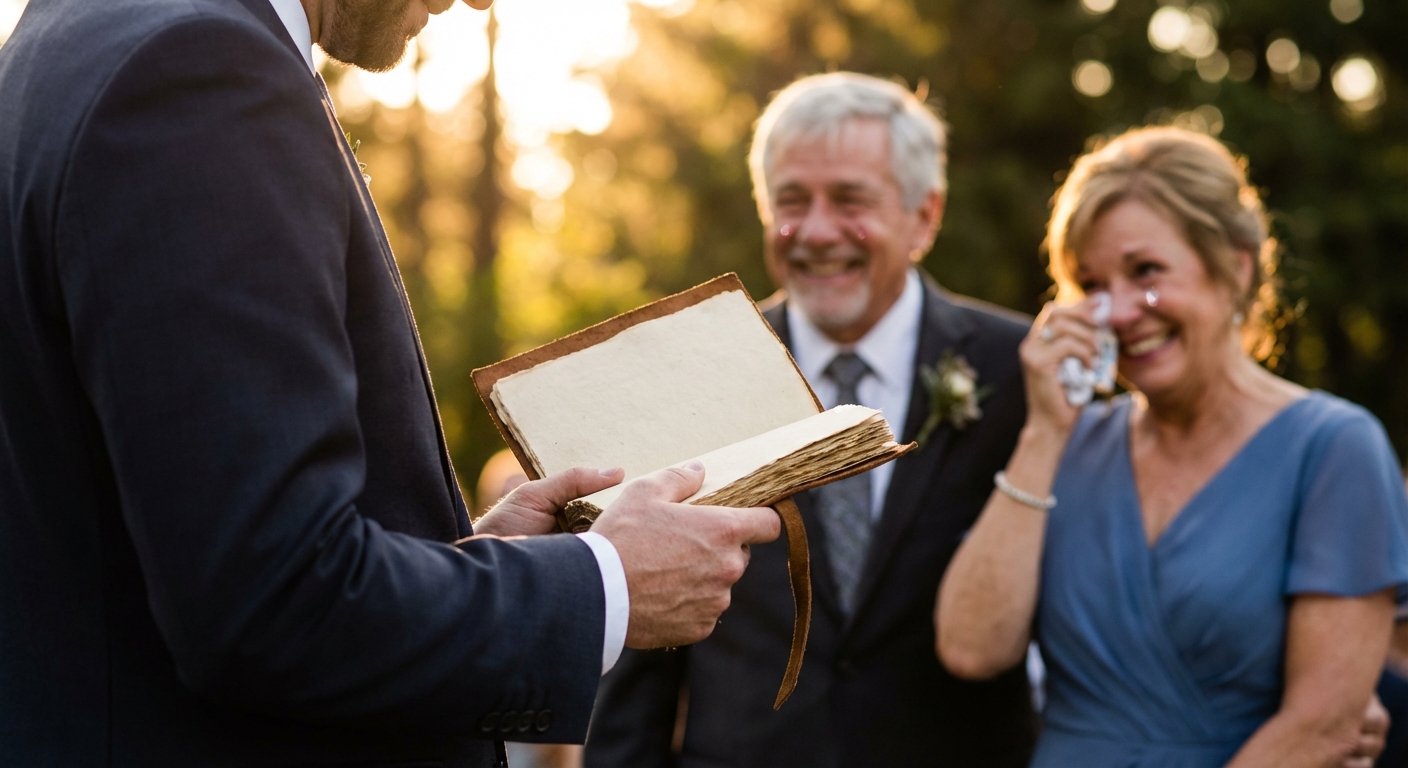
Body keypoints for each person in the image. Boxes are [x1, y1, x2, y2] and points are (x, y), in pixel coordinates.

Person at [0, 0, 780, 765]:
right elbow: (268, 606)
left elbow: (177, 533)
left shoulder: (71, 34)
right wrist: (601, 585)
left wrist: (479, 556)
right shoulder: (200, 68)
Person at [585, 72, 1040, 767]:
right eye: (792, 202)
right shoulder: (692, 376)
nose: (818, 231)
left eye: (850, 200)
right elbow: (640, 664)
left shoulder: (1019, 372)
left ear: (925, 215)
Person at [936, 126, 1408, 767]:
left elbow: (1323, 724)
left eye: (1146, 272)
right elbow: (971, 648)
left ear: (1235, 267)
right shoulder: (1069, 447)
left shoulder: (1335, 450)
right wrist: (1044, 431)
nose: (1122, 311)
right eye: (1092, 285)